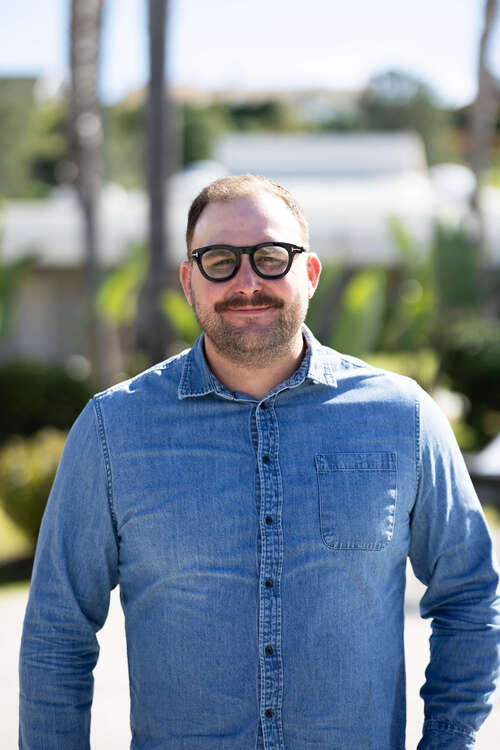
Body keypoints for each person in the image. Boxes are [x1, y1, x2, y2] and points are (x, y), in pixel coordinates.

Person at [19, 174, 500, 750]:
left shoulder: (403, 418)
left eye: (271, 258)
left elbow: (471, 595)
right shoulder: (112, 430)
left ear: (310, 273)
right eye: (220, 260)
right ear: (189, 281)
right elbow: (57, 634)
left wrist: (448, 739)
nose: (247, 283)